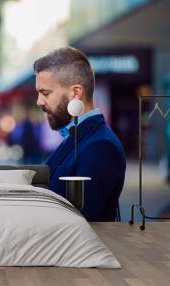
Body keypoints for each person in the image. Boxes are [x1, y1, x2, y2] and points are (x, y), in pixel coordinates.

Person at [33, 47, 126, 221]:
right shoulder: (77, 137)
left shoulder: (100, 147)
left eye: (45, 93)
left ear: (75, 92)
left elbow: (79, 221)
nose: (39, 101)